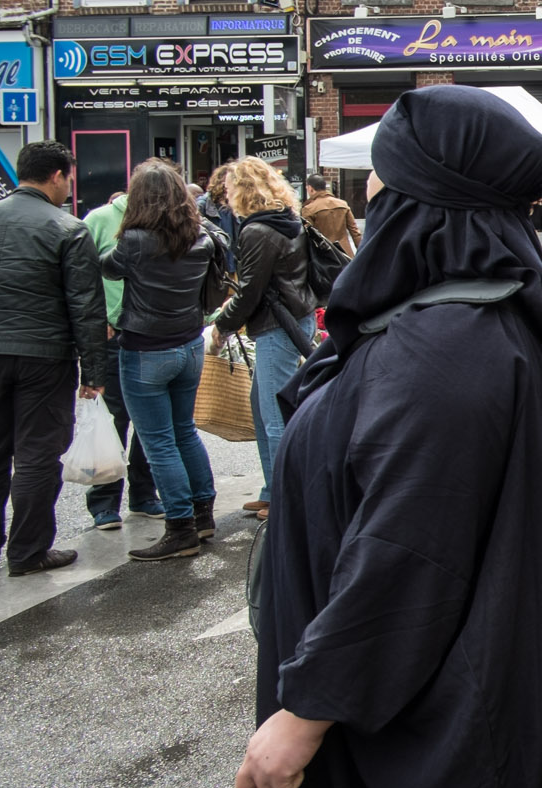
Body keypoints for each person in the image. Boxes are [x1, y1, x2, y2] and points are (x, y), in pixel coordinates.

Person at [240, 86, 542, 788]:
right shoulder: (469, 318)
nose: (369, 194)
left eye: (384, 181)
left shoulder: (448, 349)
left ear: (423, 204)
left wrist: (304, 713)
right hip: (466, 708)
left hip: (442, 742)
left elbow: (409, 553)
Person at [0, 141, 109, 577]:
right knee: (37, 454)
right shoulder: (68, 229)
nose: (69, 188)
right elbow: (86, 308)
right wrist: (94, 371)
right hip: (45, 355)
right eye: (69, 179)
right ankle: (28, 551)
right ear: (57, 176)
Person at [101, 160, 220, 560]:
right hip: (189, 346)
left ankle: (180, 527)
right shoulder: (200, 237)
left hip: (145, 350)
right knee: (184, 431)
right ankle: (204, 514)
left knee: (160, 442)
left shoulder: (134, 240)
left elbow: (108, 267)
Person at [213, 157, 317, 521]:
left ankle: (285, 498)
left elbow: (249, 292)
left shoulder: (257, 230)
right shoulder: (288, 219)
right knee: (264, 409)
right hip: (293, 319)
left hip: (278, 326)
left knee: (273, 416)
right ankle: (273, 488)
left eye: (228, 188)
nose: (225, 194)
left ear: (243, 190)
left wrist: (221, 327)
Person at [81, 191, 161, 531]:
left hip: (151, 334)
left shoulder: (162, 221)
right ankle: (104, 500)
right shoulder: (97, 221)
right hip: (113, 334)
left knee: (150, 420)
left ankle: (143, 494)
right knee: (113, 418)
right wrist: (95, 319)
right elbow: (79, 276)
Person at [301, 175, 360, 257]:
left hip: (324, 256)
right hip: (346, 254)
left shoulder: (309, 209)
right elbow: (355, 232)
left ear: (310, 188)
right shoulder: (343, 204)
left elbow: (307, 237)